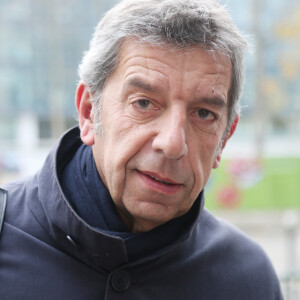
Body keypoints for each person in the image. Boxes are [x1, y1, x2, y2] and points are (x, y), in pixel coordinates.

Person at [0, 0, 283, 299]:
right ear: (88, 113)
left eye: (203, 114)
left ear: (224, 139)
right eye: (144, 103)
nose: (173, 143)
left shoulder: (249, 280)